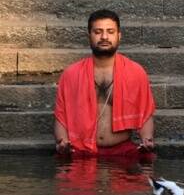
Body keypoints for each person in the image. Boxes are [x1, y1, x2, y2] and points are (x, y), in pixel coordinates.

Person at [54, 10, 156, 157]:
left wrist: (147, 140)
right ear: (89, 35)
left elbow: (145, 111)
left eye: (110, 31)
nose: (104, 37)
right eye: (98, 31)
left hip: (121, 150)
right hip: (80, 150)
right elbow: (61, 114)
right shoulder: (71, 74)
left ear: (119, 36)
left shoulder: (135, 72)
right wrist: (62, 142)